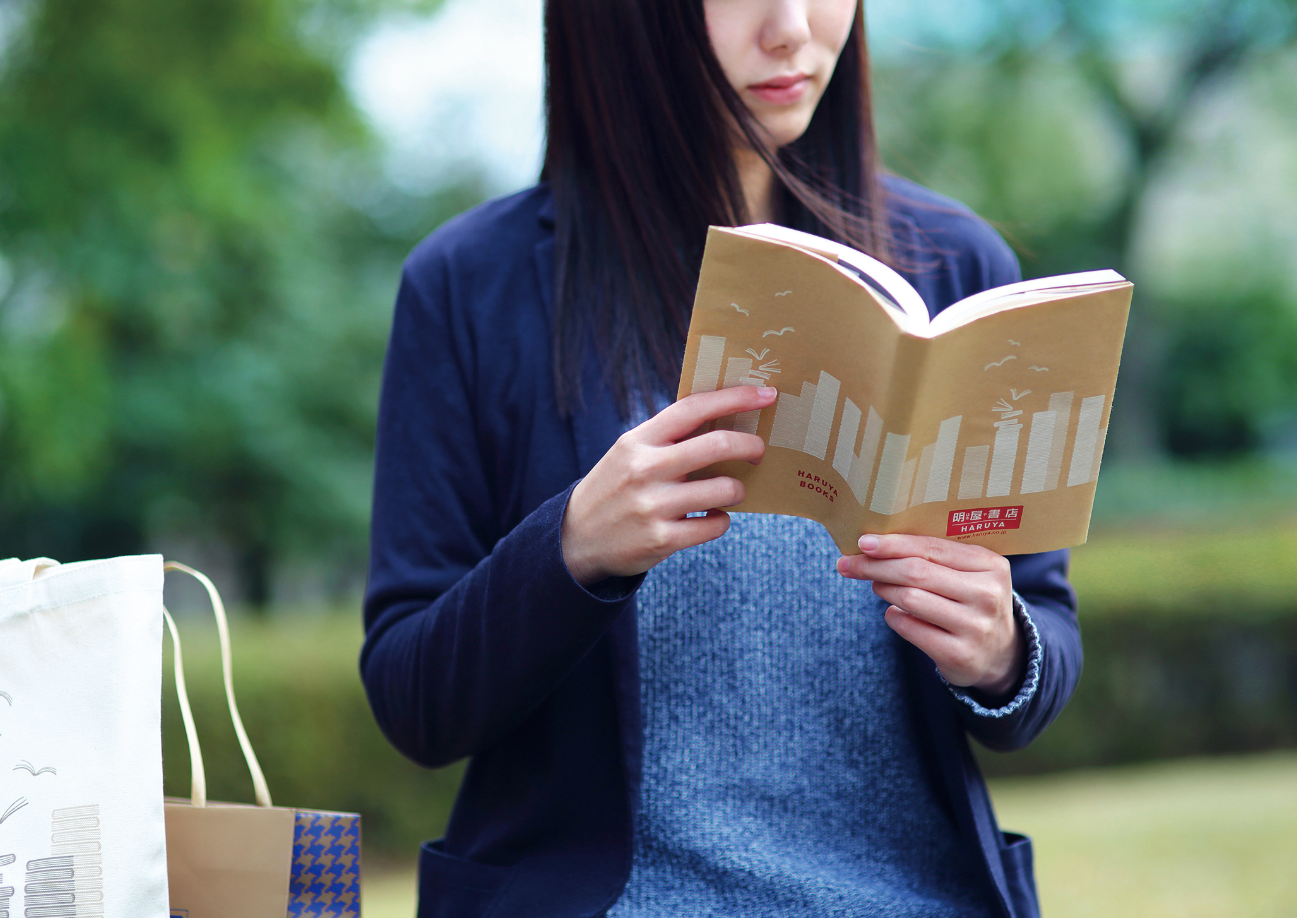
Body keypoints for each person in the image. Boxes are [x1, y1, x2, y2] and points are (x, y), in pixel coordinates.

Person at [360, 1, 1080, 916]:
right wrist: (573, 550)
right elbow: (413, 702)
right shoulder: (472, 286)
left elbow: (1044, 635)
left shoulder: (953, 266)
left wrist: (1000, 648)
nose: (793, 30)